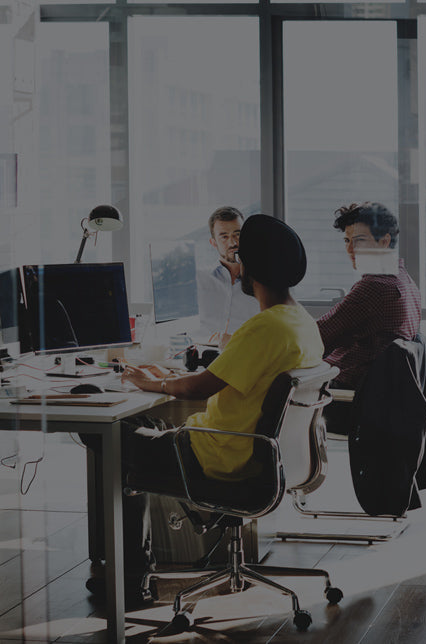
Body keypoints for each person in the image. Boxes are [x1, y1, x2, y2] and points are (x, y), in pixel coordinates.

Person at [86, 214, 323, 604]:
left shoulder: (265, 327)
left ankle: (130, 578)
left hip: (213, 456)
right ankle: (133, 569)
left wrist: (151, 382)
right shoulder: (300, 322)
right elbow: (225, 374)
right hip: (253, 454)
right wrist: (162, 376)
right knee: (139, 425)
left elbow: (200, 385)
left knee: (106, 434)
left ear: (250, 268)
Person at [317, 202, 421, 390]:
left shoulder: (375, 287)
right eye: (347, 241)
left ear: (384, 241)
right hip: (372, 395)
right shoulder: (405, 280)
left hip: (346, 395)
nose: (350, 250)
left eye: (359, 240)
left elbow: (318, 336)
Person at [196, 206, 259, 345]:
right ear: (213, 242)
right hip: (203, 354)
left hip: (246, 354)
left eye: (238, 234)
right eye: (224, 236)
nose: (233, 243)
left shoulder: (263, 282)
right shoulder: (198, 281)